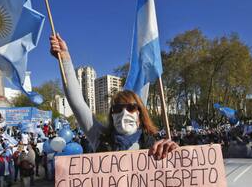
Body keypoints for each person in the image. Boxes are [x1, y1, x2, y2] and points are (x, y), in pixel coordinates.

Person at [50, 34, 178, 157]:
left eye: (131, 107)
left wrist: (172, 152)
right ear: (112, 114)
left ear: (140, 114)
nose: (124, 112)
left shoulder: (154, 143)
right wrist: (65, 58)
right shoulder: (100, 138)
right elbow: (77, 103)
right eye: (117, 109)